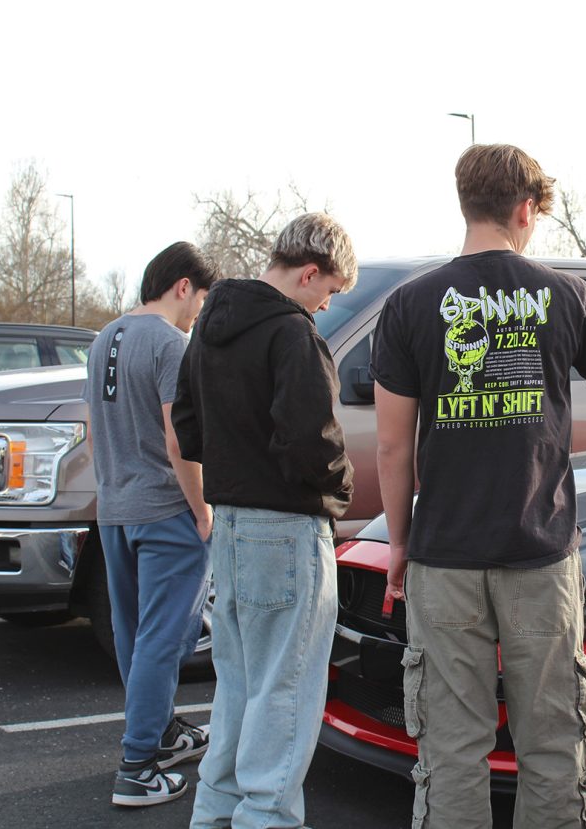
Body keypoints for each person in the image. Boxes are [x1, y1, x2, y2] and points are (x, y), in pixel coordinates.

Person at [372, 144, 586, 829]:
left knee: (452, 745)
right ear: (524, 210)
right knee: (551, 740)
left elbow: (390, 443)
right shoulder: (565, 295)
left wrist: (399, 544)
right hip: (541, 555)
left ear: (466, 205)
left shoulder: (407, 306)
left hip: (444, 557)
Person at [174, 213, 357, 829]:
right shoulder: (292, 334)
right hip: (285, 530)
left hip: (227, 526)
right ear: (309, 273)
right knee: (288, 691)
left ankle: (214, 814)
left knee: (239, 686)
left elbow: (187, 425)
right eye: (329, 292)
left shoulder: (210, 326)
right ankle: (264, 819)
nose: (326, 305)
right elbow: (310, 441)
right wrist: (342, 485)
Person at [83, 241, 219, 807]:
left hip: (114, 509)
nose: (199, 314)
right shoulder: (170, 343)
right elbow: (179, 437)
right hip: (165, 510)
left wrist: (116, 488)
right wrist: (203, 510)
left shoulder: (102, 339)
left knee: (134, 633)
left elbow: (93, 433)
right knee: (164, 639)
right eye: (201, 300)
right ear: (183, 285)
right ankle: (137, 766)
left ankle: (161, 734)